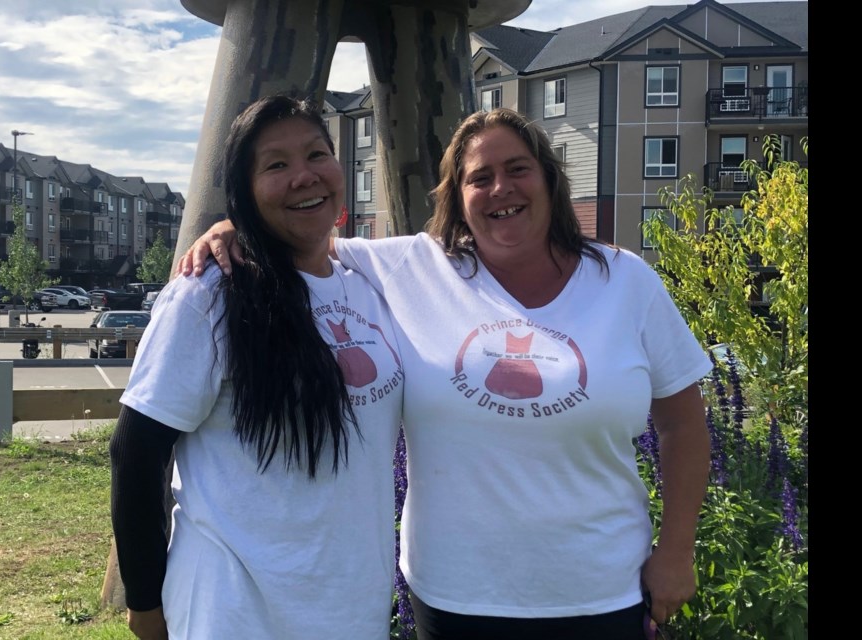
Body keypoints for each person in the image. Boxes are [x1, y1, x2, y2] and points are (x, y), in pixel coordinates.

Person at [180, 107, 712, 639]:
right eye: (479, 178)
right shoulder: (414, 266)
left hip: (602, 589)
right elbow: (303, 230)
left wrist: (677, 551)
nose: (501, 188)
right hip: (455, 596)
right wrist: (235, 225)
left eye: (518, 169)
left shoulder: (625, 281)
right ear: (457, 198)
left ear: (550, 178)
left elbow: (683, 425)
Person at [110, 96, 405, 640]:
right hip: (232, 609)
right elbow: (137, 451)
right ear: (243, 192)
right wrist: (145, 605)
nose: (304, 176)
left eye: (317, 154)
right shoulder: (208, 296)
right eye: (276, 165)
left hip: (349, 605)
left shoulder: (374, 281)